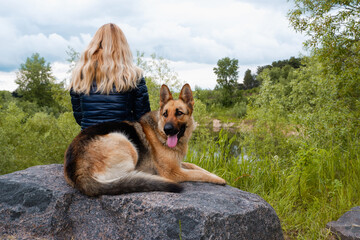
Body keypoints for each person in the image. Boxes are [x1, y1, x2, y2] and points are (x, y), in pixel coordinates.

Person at [68, 23, 151, 130]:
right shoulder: (133, 75)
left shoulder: (80, 74)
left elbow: (80, 117)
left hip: (88, 138)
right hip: (122, 137)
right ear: (122, 45)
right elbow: (143, 117)